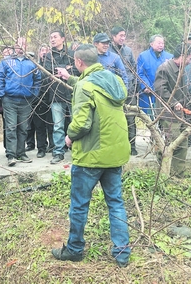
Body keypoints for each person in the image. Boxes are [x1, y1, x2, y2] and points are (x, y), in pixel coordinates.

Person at [51, 45, 131, 267]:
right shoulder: (113, 80)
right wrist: (71, 79)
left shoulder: (85, 85)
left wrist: (68, 137)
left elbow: (82, 123)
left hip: (90, 156)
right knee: (115, 203)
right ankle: (122, 253)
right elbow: (92, 87)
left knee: (79, 205)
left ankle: (75, 249)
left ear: (78, 62)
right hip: (115, 154)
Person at [0, 41, 41, 166]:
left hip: (26, 100)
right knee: (11, 127)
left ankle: (21, 153)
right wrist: (2, 95)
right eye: (18, 44)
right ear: (14, 46)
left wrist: (34, 94)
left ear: (26, 46)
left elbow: (38, 79)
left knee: (23, 128)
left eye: (23, 44)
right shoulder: (6, 62)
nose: (21, 47)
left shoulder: (32, 62)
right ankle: (11, 155)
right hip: (9, 99)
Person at [154, 44, 191, 176]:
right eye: (189, 58)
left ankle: (178, 172)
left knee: (183, 142)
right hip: (168, 114)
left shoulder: (181, 69)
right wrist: (173, 102)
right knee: (171, 143)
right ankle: (165, 171)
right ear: (182, 56)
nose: (190, 61)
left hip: (180, 113)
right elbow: (160, 89)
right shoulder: (165, 68)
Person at [43, 30, 78, 164]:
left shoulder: (72, 54)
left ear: (63, 39)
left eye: (55, 37)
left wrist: (65, 71)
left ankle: (77, 149)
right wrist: (66, 69)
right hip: (56, 94)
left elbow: (76, 70)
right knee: (58, 125)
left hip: (71, 93)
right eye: (51, 37)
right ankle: (58, 151)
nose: (52, 39)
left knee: (76, 123)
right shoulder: (48, 56)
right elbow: (47, 73)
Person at [110, 26, 138, 155]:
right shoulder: (107, 51)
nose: (123, 38)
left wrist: (134, 85)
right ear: (114, 36)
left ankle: (132, 146)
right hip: (113, 90)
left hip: (129, 89)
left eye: (124, 35)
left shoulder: (128, 50)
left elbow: (133, 68)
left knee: (130, 118)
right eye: (120, 35)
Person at [26, 45, 55, 158]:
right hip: (37, 100)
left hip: (52, 99)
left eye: (47, 50)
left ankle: (53, 146)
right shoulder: (34, 66)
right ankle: (41, 148)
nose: (44, 53)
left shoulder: (53, 66)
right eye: (42, 50)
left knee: (52, 125)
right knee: (39, 126)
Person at [137, 34, 173, 117]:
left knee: (165, 116)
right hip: (149, 91)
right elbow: (140, 73)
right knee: (150, 117)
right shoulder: (143, 56)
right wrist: (145, 86)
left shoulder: (169, 57)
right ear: (151, 44)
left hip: (164, 91)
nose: (161, 45)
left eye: (162, 43)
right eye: (158, 43)